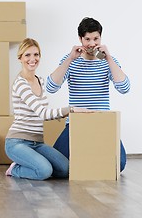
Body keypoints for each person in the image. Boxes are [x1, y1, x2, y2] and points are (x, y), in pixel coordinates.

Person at [46, 17, 131, 172]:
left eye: (96, 38)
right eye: (87, 39)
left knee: (119, 164)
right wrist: (70, 59)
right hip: (76, 123)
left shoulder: (108, 62)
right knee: (58, 168)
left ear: (101, 38)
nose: (92, 43)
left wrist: (109, 58)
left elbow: (124, 88)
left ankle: (89, 163)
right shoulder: (70, 61)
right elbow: (51, 87)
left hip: (102, 123)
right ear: (80, 39)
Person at [5, 38, 91, 180]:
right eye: (27, 55)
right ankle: (15, 169)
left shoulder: (41, 80)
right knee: (44, 171)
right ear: (20, 58)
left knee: (66, 170)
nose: (32, 59)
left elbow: (43, 111)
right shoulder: (20, 83)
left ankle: (33, 164)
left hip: (37, 143)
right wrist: (71, 109)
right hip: (17, 142)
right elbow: (43, 113)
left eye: (36, 54)